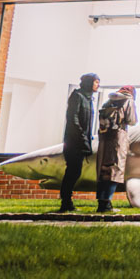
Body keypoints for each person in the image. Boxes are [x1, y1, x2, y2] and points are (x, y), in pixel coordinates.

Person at [55, 72, 98, 212]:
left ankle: (67, 201)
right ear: (89, 82)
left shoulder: (88, 99)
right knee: (72, 172)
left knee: (75, 171)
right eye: (96, 82)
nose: (97, 85)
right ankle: (65, 201)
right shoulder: (77, 96)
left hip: (82, 141)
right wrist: (82, 137)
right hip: (74, 142)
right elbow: (73, 119)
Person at [95, 84, 138, 213]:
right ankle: (107, 203)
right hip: (118, 137)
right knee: (115, 169)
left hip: (104, 137)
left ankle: (101, 203)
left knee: (103, 170)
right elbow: (132, 120)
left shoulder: (108, 101)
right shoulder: (128, 100)